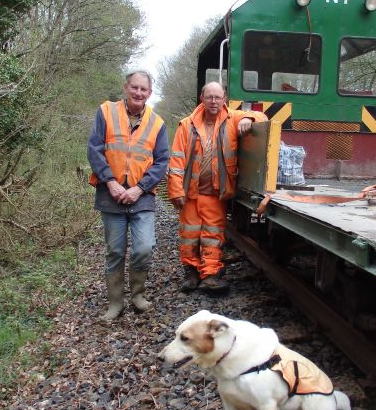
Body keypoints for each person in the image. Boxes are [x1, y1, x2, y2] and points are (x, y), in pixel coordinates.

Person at [168, 82, 267, 293]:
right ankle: (192, 273)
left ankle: (210, 275)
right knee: (189, 234)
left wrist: (249, 118)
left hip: (215, 192)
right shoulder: (186, 125)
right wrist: (176, 191)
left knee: (212, 235)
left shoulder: (233, 119)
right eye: (209, 97)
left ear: (224, 100)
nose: (213, 101)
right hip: (191, 193)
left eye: (218, 97)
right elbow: (176, 161)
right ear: (202, 98)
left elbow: (263, 117)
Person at [87, 71, 169, 320]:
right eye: (134, 87)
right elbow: (94, 149)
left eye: (143, 89)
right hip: (110, 193)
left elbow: (162, 160)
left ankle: (137, 295)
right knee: (115, 250)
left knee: (143, 247)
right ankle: (115, 302)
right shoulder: (106, 112)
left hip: (141, 196)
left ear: (150, 93)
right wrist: (110, 182)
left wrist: (139, 188)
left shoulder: (157, 123)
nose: (138, 93)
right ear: (126, 87)